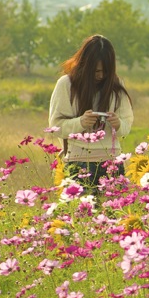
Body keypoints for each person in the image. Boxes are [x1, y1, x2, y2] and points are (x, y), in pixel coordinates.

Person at [48, 34, 133, 189]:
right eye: (96, 71)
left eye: (105, 71)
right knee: (78, 213)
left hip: (112, 164)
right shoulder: (66, 84)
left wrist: (118, 124)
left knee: (113, 213)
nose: (101, 76)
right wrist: (80, 122)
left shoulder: (116, 85)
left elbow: (127, 126)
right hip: (78, 164)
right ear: (84, 66)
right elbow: (55, 126)